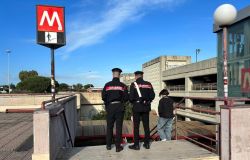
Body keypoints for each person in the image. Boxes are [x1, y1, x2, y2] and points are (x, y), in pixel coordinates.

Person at [102, 68, 129, 152]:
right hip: (119, 107)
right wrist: (121, 103)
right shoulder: (123, 85)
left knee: (109, 127)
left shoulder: (107, 85)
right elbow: (126, 97)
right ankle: (118, 147)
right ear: (120, 75)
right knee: (119, 127)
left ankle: (108, 146)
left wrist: (108, 105)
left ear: (112, 74)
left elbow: (103, 97)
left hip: (110, 107)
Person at [129, 71, 155, 150]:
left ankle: (136, 145)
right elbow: (152, 95)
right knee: (146, 126)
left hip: (137, 107)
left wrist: (135, 102)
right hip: (146, 107)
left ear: (136, 76)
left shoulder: (133, 84)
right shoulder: (148, 84)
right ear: (142, 76)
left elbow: (131, 98)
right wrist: (147, 100)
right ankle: (147, 144)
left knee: (136, 127)